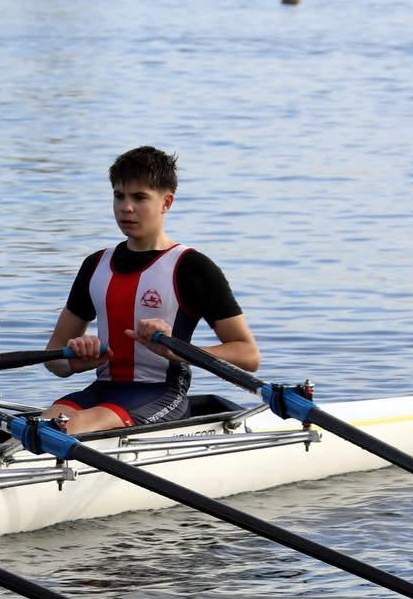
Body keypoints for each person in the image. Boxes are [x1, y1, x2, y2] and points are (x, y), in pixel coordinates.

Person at [40, 146, 259, 433]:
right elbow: (54, 357)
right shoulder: (95, 265)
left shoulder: (192, 267)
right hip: (101, 389)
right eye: (119, 196)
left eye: (139, 197)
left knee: (71, 427)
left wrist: (179, 351)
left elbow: (248, 355)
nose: (126, 207)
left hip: (161, 394)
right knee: (36, 427)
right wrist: (74, 362)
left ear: (166, 202)